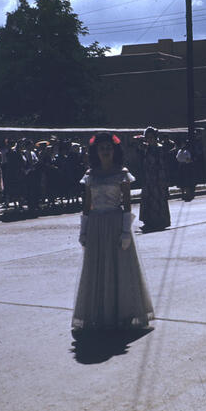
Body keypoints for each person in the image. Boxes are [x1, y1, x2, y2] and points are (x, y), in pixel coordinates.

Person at [73, 132, 154, 334]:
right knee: (97, 269)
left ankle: (123, 314)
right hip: (97, 226)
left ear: (114, 150)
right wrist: (83, 230)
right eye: (102, 148)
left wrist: (126, 231)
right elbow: (87, 204)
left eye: (109, 147)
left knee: (120, 269)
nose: (106, 151)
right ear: (96, 151)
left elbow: (127, 204)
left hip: (116, 224)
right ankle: (100, 314)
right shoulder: (91, 174)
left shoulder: (122, 173)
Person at [139, 127, 171, 232]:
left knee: (158, 199)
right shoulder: (146, 149)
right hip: (148, 177)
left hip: (158, 178)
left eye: (151, 137)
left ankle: (159, 221)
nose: (149, 139)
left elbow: (162, 165)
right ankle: (148, 221)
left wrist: (162, 180)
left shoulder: (159, 148)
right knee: (147, 198)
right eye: (147, 137)